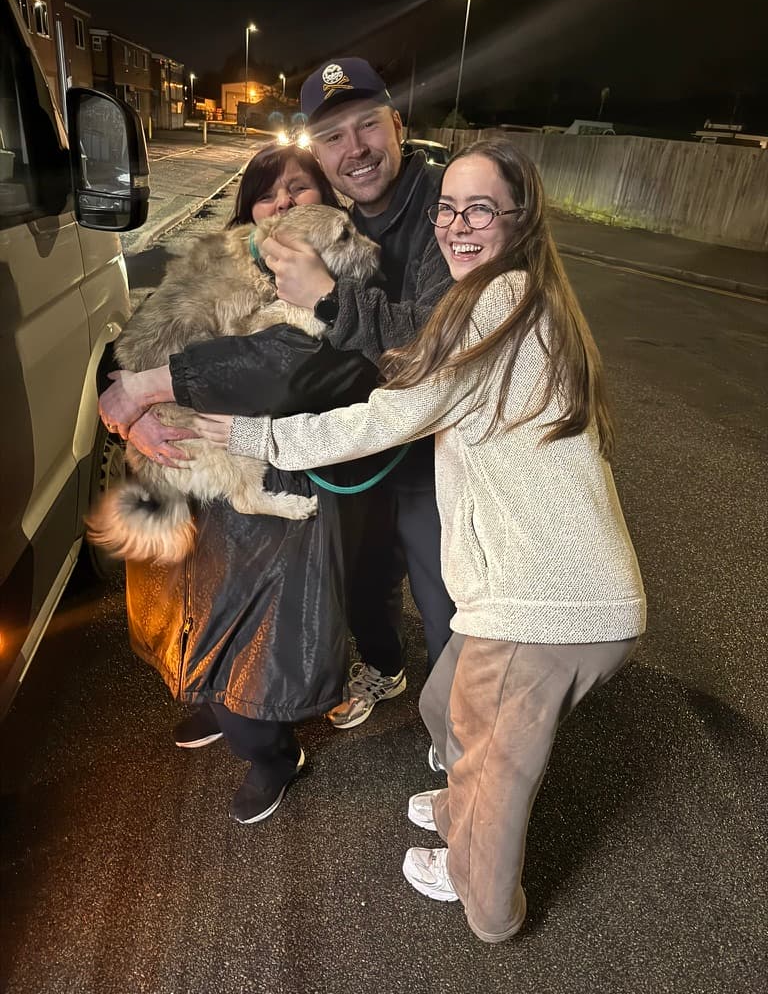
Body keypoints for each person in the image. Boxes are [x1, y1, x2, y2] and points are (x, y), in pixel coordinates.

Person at [182, 140, 647, 941]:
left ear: (520, 219)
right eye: (448, 207)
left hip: (545, 602)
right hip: (532, 588)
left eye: (480, 209)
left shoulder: (499, 305)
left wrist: (261, 438)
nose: (455, 225)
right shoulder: (510, 298)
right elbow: (409, 366)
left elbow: (390, 414)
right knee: (444, 705)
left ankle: (486, 901)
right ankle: (460, 801)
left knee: (495, 772)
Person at [99, 143, 381, 825]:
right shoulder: (218, 264)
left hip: (280, 474)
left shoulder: (346, 285)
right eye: (266, 193)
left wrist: (149, 388)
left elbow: (283, 369)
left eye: (298, 189)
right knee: (191, 616)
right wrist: (127, 416)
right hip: (200, 473)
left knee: (260, 650)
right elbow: (130, 348)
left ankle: (271, 754)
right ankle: (217, 703)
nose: (282, 203)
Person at [258, 57, 457, 729]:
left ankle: (465, 738)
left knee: (443, 599)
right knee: (367, 576)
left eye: (368, 126)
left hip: (437, 451)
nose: (357, 150)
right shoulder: (335, 216)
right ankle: (385, 666)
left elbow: (431, 344)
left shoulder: (445, 206)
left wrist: (328, 298)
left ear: (398, 125)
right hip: (366, 444)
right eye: (335, 138)